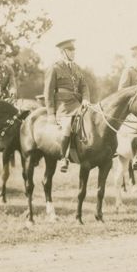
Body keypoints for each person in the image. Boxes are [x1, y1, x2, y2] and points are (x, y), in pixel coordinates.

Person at [44, 38, 91, 173]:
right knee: (67, 126)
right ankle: (63, 157)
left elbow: (84, 85)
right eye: (70, 50)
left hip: (77, 103)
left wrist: (86, 99)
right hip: (62, 106)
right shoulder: (55, 68)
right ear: (62, 52)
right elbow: (48, 92)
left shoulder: (76, 68)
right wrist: (50, 114)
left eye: (73, 50)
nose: (73, 52)